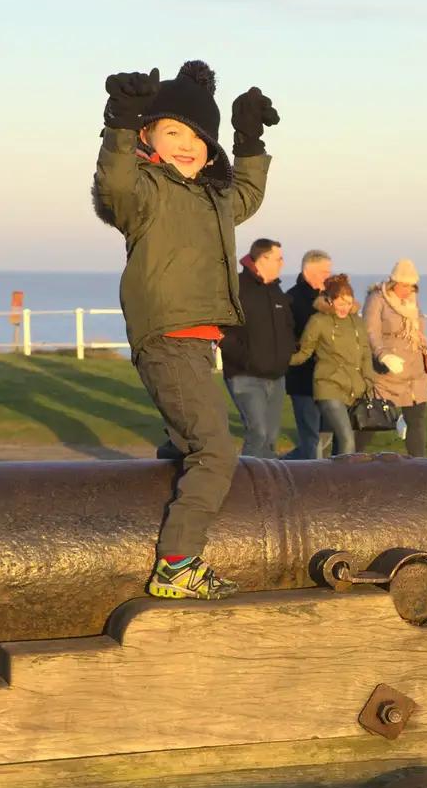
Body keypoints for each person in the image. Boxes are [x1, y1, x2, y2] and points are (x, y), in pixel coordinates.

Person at [92, 60, 279, 600]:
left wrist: (248, 140)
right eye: (173, 131)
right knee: (217, 449)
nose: (188, 144)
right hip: (167, 335)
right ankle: (177, 563)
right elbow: (114, 185)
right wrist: (120, 122)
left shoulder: (213, 197)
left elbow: (246, 191)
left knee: (191, 440)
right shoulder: (146, 191)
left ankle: (162, 496)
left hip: (200, 341)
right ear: (150, 135)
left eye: (199, 135)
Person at [221, 238, 294, 458]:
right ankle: (246, 483)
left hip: (276, 377)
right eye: (278, 258)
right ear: (262, 258)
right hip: (245, 374)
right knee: (258, 432)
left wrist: (285, 355)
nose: (282, 263)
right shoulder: (237, 287)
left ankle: (268, 485)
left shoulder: (277, 292)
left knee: (271, 439)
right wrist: (247, 358)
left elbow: (288, 328)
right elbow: (222, 330)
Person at [289, 274, 376, 457]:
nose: (345, 307)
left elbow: (366, 354)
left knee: (326, 438)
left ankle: (307, 466)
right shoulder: (318, 321)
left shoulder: (357, 323)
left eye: (348, 302)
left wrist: (368, 380)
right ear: (329, 300)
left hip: (354, 390)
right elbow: (305, 351)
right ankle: (345, 481)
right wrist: (281, 360)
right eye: (340, 302)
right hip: (328, 387)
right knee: (347, 438)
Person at [358, 259, 427, 457]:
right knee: (374, 420)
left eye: (411, 285)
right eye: (404, 285)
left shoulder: (413, 301)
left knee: (416, 420)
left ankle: (419, 467)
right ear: (393, 282)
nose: (408, 290)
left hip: (415, 370)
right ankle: (349, 457)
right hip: (387, 372)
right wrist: (384, 355)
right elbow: (370, 332)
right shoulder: (377, 299)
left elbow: (419, 330)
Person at [283, 249, 333, 459]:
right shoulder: (291, 299)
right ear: (308, 270)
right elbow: (287, 337)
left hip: (328, 378)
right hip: (303, 378)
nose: (327, 276)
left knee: (326, 432)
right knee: (311, 435)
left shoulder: (329, 299)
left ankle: (288, 463)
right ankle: (314, 479)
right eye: (324, 271)